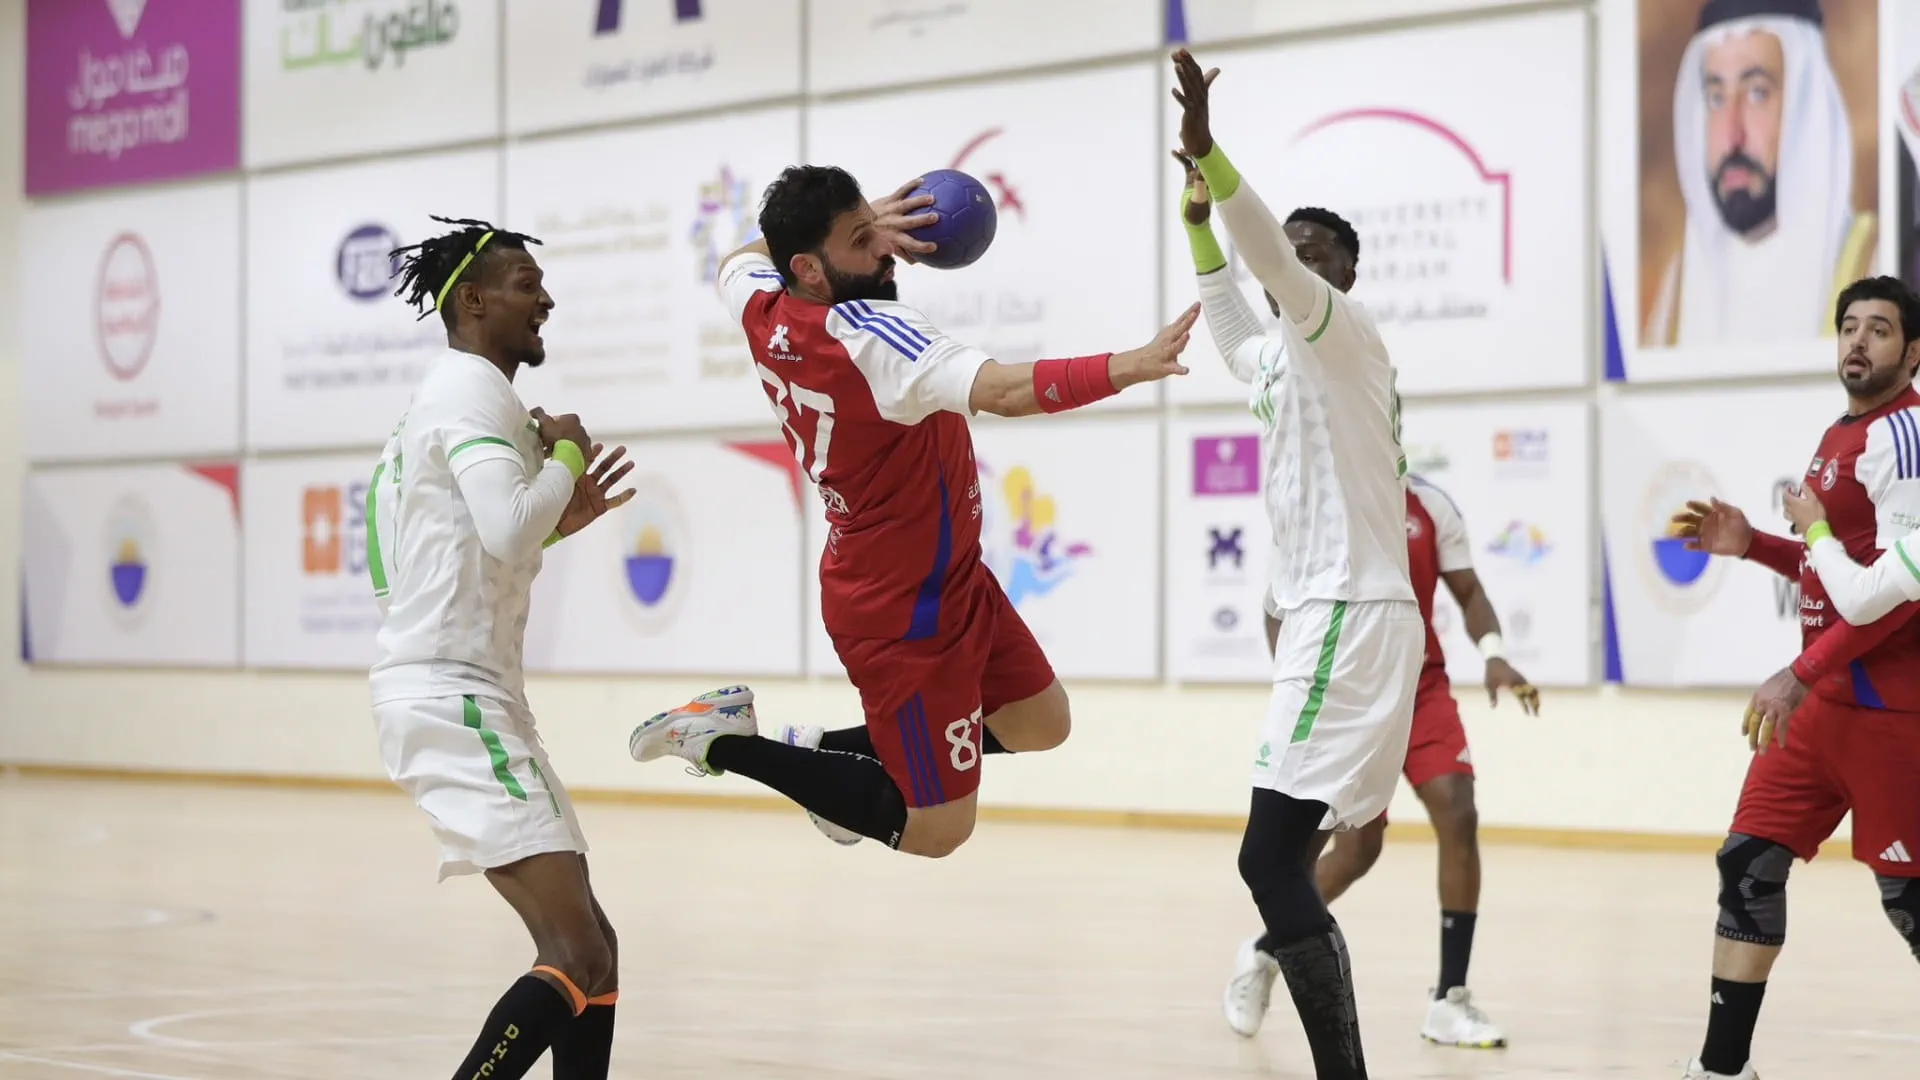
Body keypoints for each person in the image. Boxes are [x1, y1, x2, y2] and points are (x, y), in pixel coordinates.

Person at [625, 166, 1201, 861]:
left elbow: (736, 259)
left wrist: (870, 215)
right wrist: (1130, 364)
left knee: (1041, 722)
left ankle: (823, 751)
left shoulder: (762, 306)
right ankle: (724, 742)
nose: (886, 250)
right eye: (863, 239)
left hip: (942, 572)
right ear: (808, 267)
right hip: (903, 611)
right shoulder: (872, 336)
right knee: (937, 830)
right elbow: (1006, 390)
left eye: (876, 229)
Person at [1172, 48, 1421, 1080]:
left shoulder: (1341, 329)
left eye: (1319, 253)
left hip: (1349, 613)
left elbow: (1268, 262)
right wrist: (1195, 219)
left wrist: (1211, 155)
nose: (1299, 263)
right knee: (1292, 857)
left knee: (1269, 857)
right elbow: (1234, 319)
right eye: (1299, 249)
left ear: (1343, 278)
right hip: (1345, 616)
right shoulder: (1281, 356)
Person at [367, 216, 636, 1080]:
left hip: (456, 692)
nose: (545, 297)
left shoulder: (442, 398)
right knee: (574, 947)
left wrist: (559, 516)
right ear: (473, 301)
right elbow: (509, 529)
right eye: (526, 285)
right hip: (455, 696)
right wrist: (560, 454)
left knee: (598, 947)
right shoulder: (472, 392)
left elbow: (421, 558)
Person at [1666, 275, 1920, 1080]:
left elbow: (1897, 598)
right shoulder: (1842, 432)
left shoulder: (1905, 435)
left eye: (1880, 330)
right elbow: (1835, 563)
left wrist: (1799, 670)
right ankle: (1722, 1070)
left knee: (1909, 902)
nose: (1859, 341)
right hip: (1824, 705)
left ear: (1912, 353)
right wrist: (1754, 547)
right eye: (1850, 326)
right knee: (1748, 861)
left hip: (1890, 709)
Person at [1299, 475, 1540, 1050]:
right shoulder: (1322, 498)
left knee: (1458, 812)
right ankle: (1266, 948)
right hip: (1350, 693)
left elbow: (1470, 592)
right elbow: (1276, 605)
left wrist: (1495, 654)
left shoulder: (1430, 505)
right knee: (1358, 849)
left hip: (1421, 685)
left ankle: (1449, 999)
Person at [1643, 0, 1875, 347]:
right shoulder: (1679, 289)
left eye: (1756, 93)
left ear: (1805, 109)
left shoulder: (1875, 265)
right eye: (1717, 98)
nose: (1731, 135)